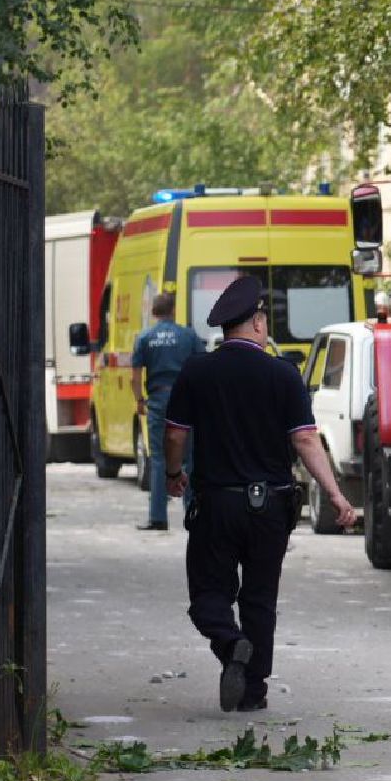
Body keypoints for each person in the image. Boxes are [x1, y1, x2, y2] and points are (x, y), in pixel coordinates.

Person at [164, 275, 355, 713]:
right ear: (254, 324)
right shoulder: (282, 374)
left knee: (208, 596)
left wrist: (174, 474)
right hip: (270, 507)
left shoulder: (198, 370)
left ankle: (231, 645)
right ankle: (253, 692)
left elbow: (175, 434)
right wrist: (337, 495)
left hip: (215, 505)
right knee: (259, 600)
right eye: (264, 319)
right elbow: (306, 441)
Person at [131, 292, 204, 530]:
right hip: (186, 399)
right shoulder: (188, 335)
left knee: (159, 458)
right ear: (173, 310)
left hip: (158, 398)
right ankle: (191, 512)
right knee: (190, 457)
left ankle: (158, 517)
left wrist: (140, 400)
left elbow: (135, 375)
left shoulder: (145, 337)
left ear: (154, 312)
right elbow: (202, 366)